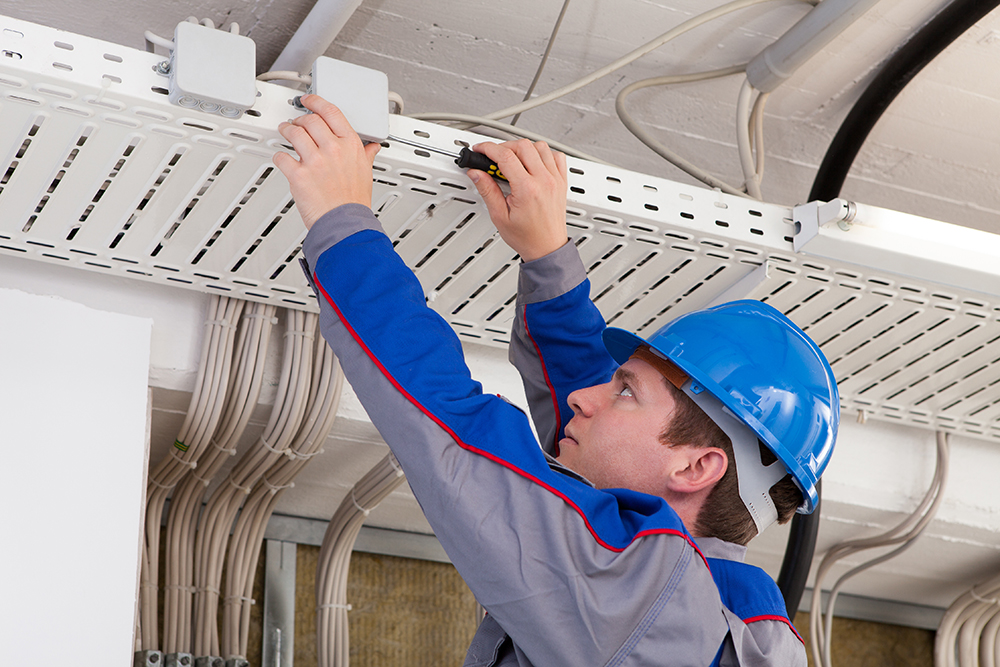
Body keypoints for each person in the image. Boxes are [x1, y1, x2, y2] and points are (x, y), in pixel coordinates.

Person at [274, 94, 839, 666]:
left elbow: (457, 432)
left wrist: (343, 225)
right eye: (617, 383)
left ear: (696, 468)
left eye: (623, 392)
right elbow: (611, 450)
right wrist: (547, 257)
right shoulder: (725, 624)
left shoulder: (644, 607)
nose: (581, 398)